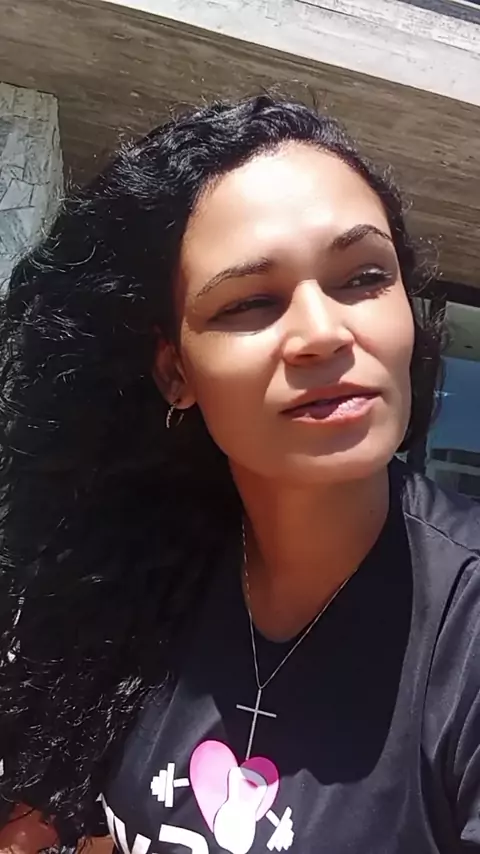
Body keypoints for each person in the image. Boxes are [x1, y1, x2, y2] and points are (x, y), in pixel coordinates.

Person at [0, 93, 479, 854]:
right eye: (252, 302)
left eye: (363, 277)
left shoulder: (464, 634)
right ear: (174, 372)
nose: (324, 332)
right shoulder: (149, 581)